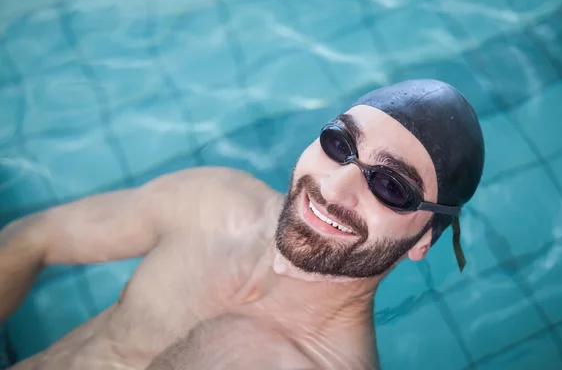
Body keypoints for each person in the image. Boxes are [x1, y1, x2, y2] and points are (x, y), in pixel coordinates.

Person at [0, 79, 485, 370]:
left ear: (424, 239)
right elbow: (34, 238)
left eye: (392, 187)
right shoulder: (210, 203)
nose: (334, 188)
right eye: (340, 145)